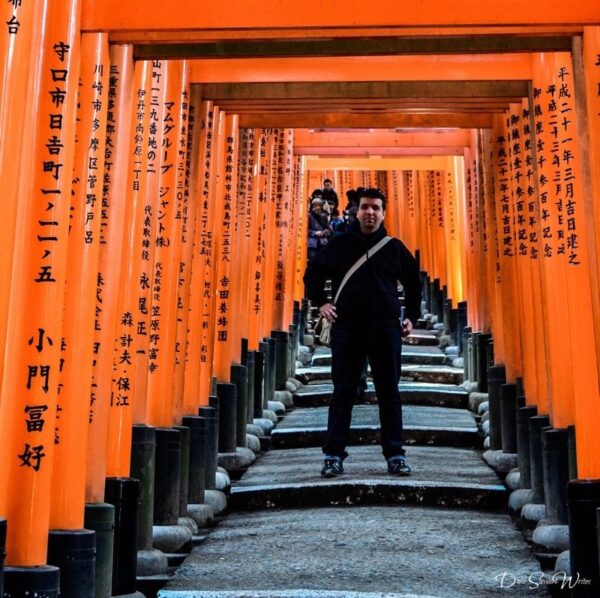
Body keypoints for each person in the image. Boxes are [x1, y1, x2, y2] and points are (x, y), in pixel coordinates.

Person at [304, 187, 421, 478]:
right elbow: (313, 272)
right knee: (342, 392)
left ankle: (395, 454)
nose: (370, 212)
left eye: (376, 208)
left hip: (385, 328)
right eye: (365, 207)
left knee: (389, 393)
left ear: (383, 213)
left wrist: (412, 318)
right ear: (357, 211)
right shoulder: (341, 243)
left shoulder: (394, 247)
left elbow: (413, 282)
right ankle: (333, 454)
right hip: (348, 328)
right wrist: (321, 302)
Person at [306, 197, 331, 262]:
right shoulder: (309, 216)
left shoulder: (324, 215)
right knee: (313, 261)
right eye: (316, 205)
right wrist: (314, 233)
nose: (318, 207)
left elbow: (328, 229)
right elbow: (305, 230)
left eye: (319, 205)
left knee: (323, 261)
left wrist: (323, 232)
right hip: (312, 243)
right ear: (312, 206)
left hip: (323, 242)